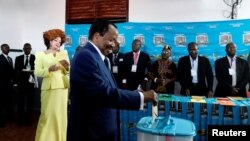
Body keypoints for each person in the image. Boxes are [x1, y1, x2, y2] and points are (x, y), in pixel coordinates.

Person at [67, 20, 157, 141]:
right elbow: (103, 93)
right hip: (91, 132)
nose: (114, 44)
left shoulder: (101, 58)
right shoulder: (85, 56)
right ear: (97, 36)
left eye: (115, 40)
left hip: (102, 130)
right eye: (111, 40)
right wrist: (142, 97)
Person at [34, 29, 70, 141]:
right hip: (48, 89)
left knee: (61, 117)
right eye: (55, 40)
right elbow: (37, 72)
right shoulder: (40, 55)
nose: (57, 43)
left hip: (62, 89)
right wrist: (49, 69)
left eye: (59, 41)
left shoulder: (64, 53)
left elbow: (68, 71)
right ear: (49, 40)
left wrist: (67, 67)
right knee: (47, 116)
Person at [14, 43, 35, 126]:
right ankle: (20, 119)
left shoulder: (35, 58)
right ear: (23, 49)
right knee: (20, 102)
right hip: (21, 84)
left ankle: (28, 119)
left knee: (30, 103)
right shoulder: (18, 58)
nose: (27, 50)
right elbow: (15, 72)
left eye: (28, 48)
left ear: (30, 49)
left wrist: (32, 71)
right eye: (25, 48)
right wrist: (15, 84)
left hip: (31, 84)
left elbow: (37, 69)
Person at [0, 43, 14, 127]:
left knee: (9, 102)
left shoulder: (10, 58)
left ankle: (9, 118)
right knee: (1, 103)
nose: (8, 49)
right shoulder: (0, 58)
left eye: (8, 47)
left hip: (9, 84)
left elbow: (11, 71)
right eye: (6, 48)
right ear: (2, 49)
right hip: (1, 85)